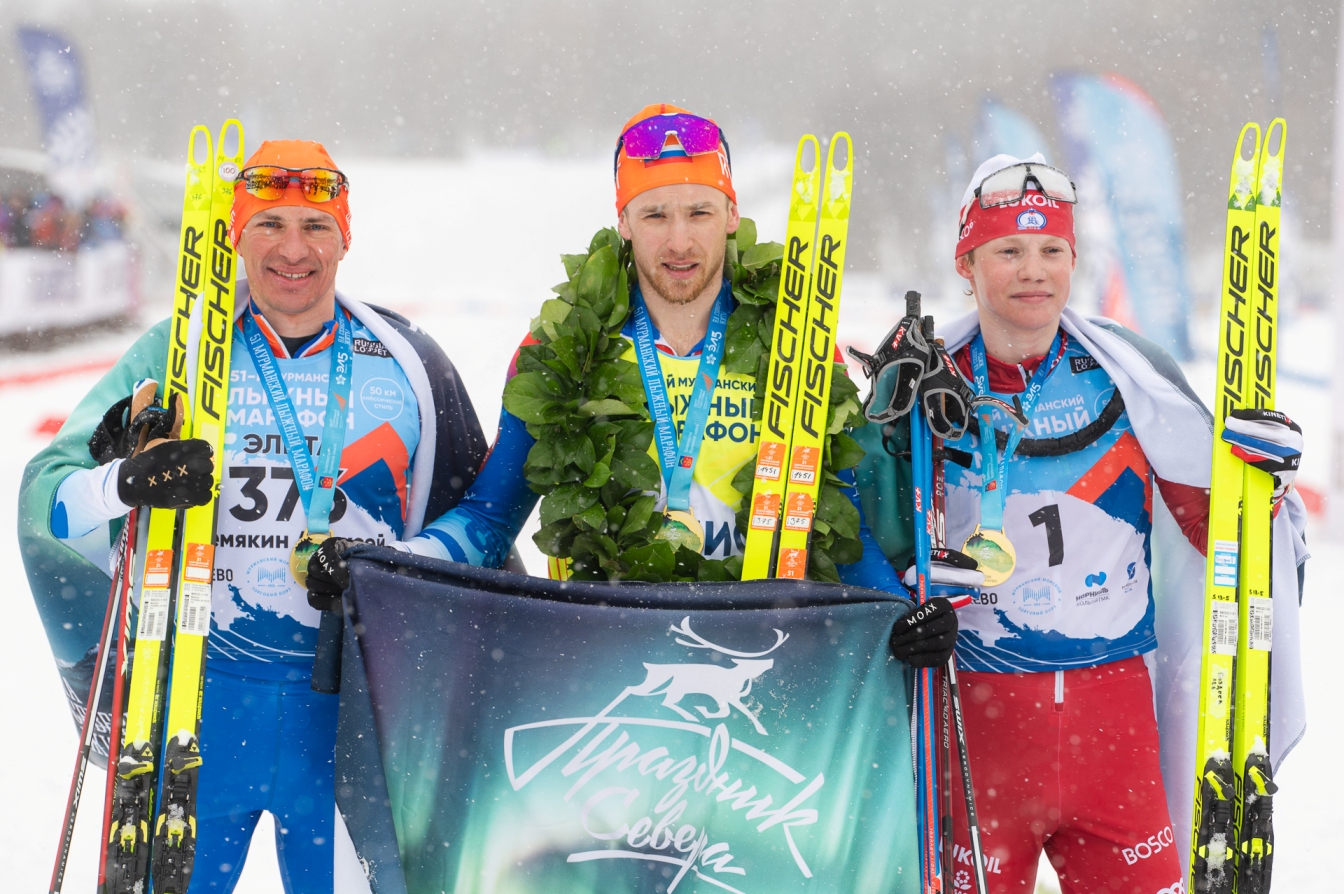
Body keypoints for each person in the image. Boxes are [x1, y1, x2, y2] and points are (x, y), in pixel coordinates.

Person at [305, 104, 962, 648]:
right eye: (654, 215)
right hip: (608, 661)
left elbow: (840, 525)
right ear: (622, 222)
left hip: (760, 659)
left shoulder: (796, 348)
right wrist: (382, 564)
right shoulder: (561, 351)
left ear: (732, 215)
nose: (678, 241)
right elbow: (488, 520)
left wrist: (902, 614)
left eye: (699, 212)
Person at [19, 139, 490, 892]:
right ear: (236, 234)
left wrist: (386, 568)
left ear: (345, 237)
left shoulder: (407, 360)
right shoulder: (175, 353)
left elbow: (482, 525)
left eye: (316, 225)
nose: (293, 250)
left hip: (351, 724)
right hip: (197, 712)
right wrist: (125, 483)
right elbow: (48, 502)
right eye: (269, 223)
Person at [853, 153, 1308, 894]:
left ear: (1074, 259)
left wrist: (1266, 482)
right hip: (973, 723)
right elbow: (869, 538)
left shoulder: (1128, 376)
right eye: (1008, 250)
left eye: (1051, 250)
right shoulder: (922, 386)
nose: (1033, 271)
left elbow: (1214, 533)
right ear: (966, 263)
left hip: (1114, 728)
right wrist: (895, 613)